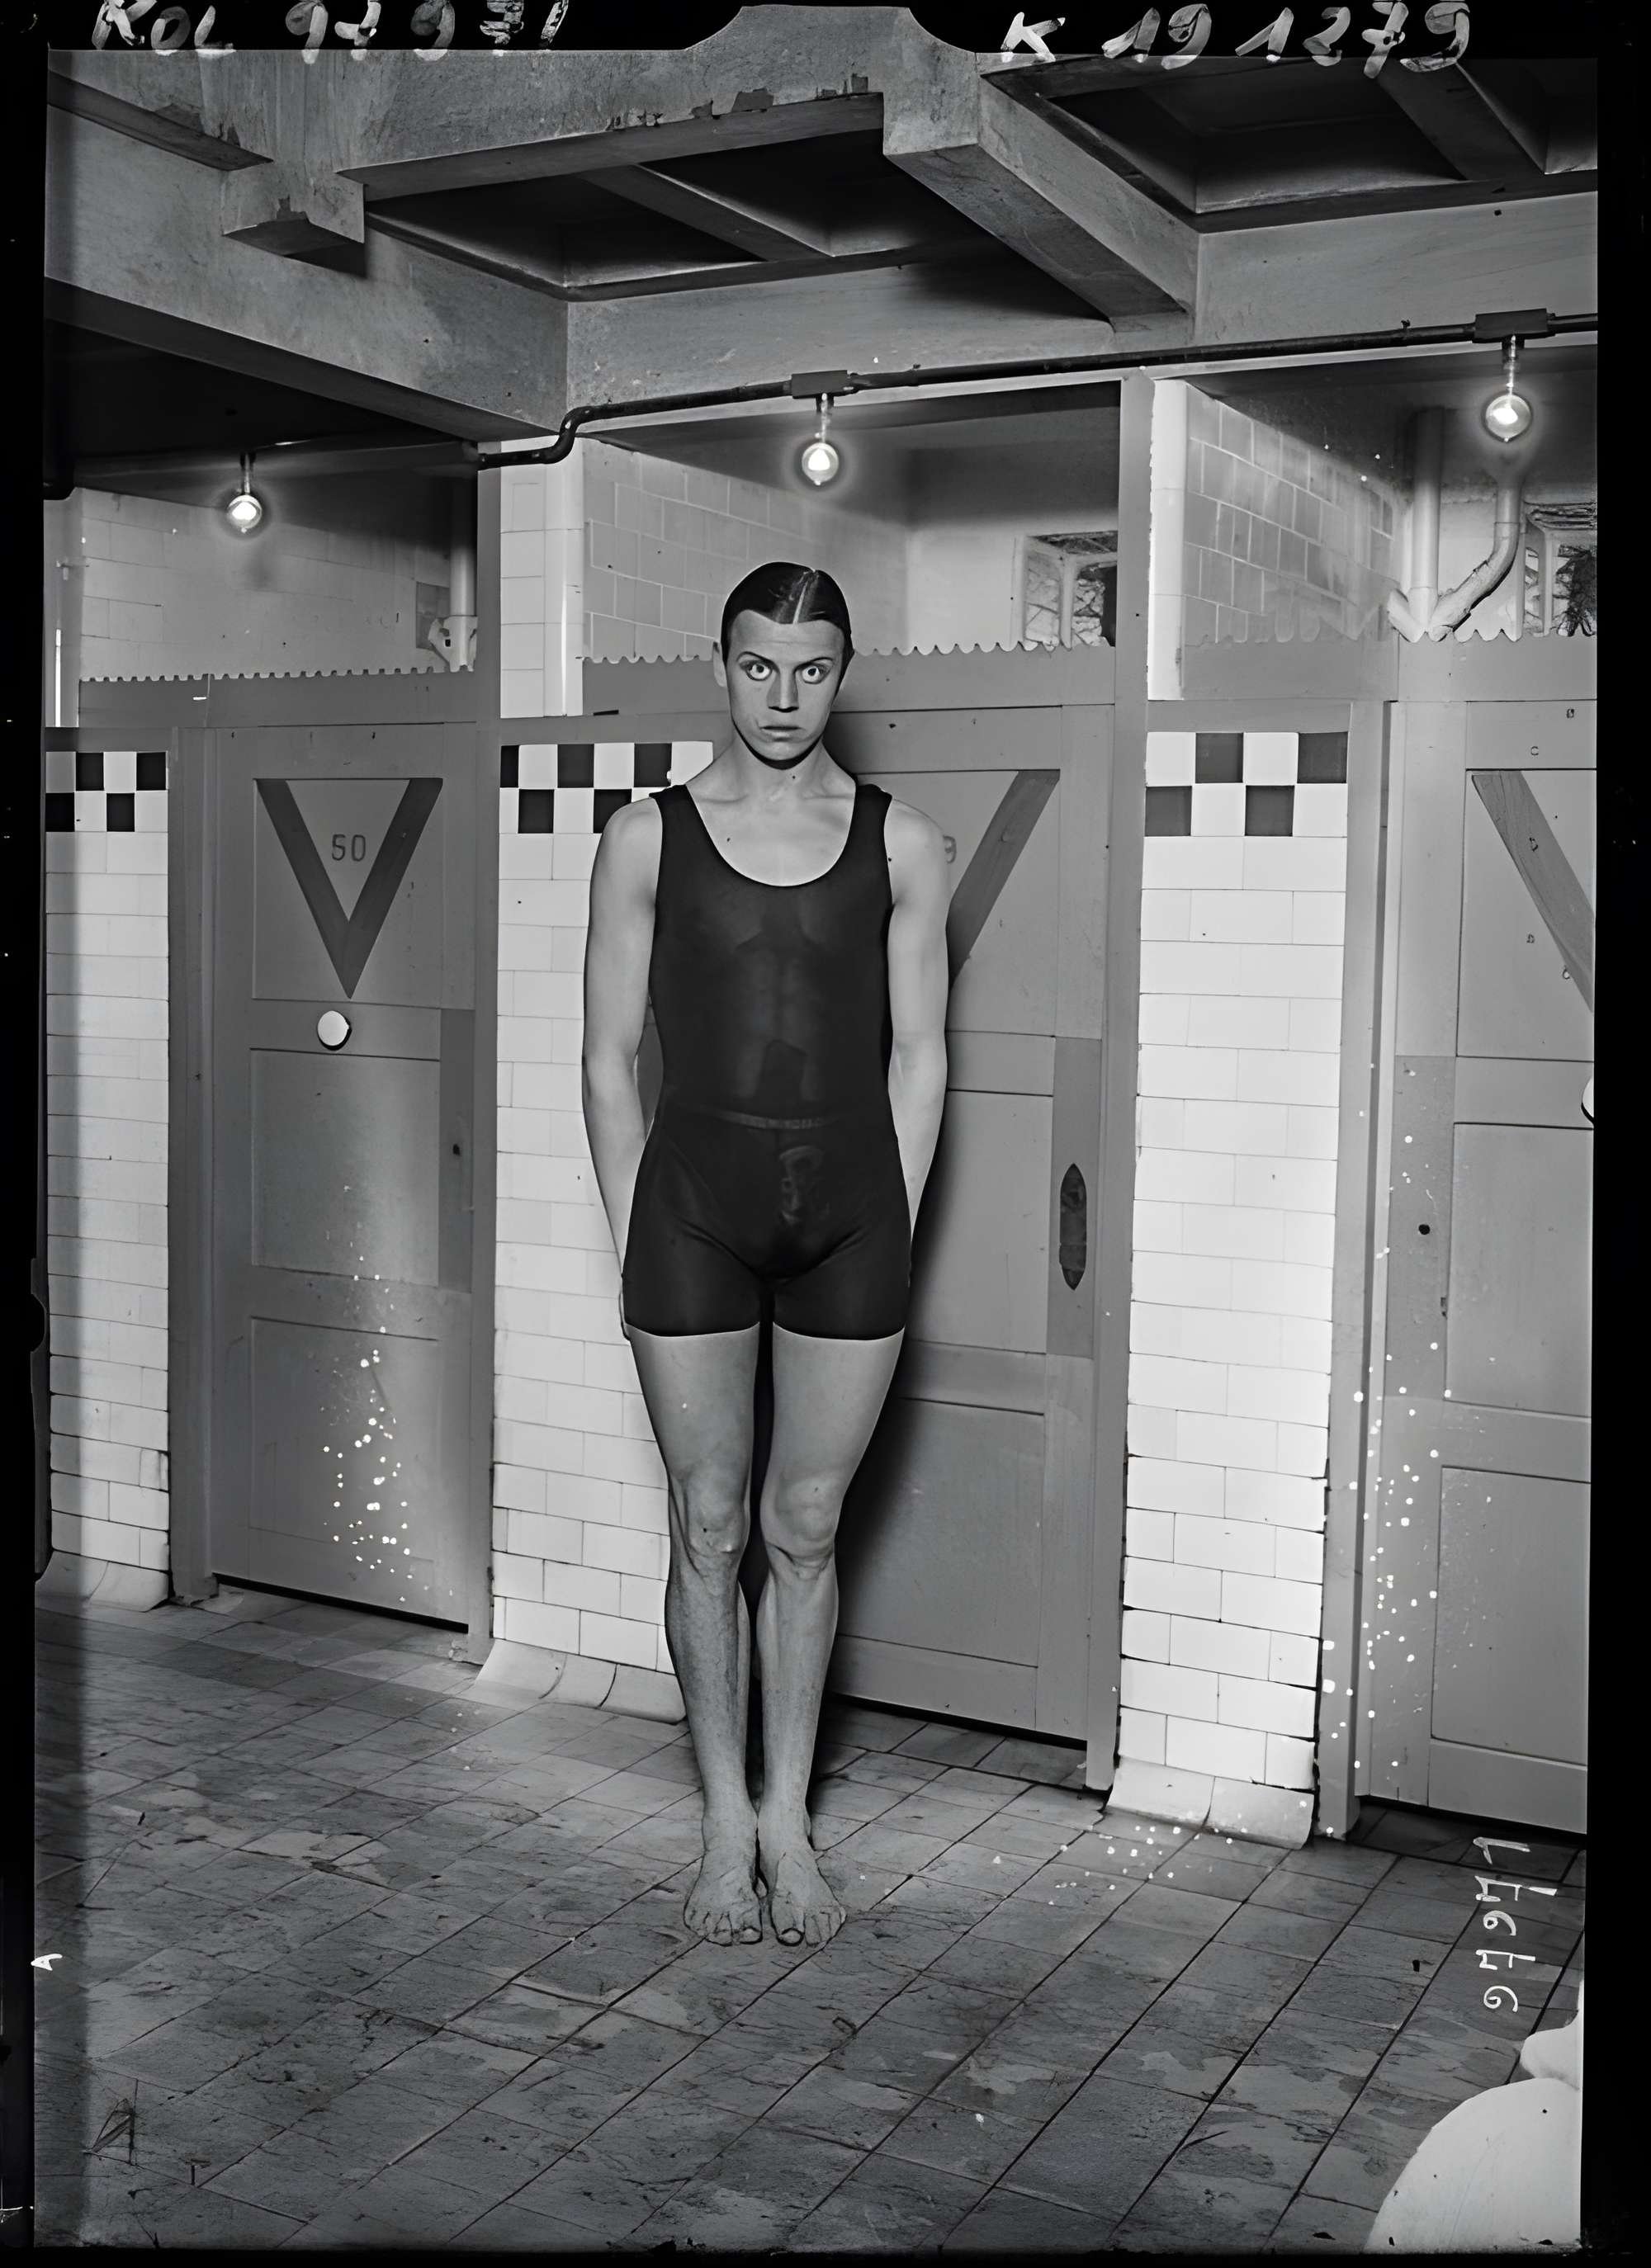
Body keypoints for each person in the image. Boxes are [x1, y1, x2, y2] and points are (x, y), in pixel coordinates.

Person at [581, 562, 951, 1949]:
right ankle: (721, 1821)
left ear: (843, 670)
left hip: (852, 1217)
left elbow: (919, 1057)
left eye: (811, 668)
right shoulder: (645, 836)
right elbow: (608, 1061)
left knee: (804, 1530)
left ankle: (790, 1818)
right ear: (722, 664)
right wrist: (637, 1231)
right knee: (708, 1524)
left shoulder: (905, 841)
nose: (783, 696)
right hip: (690, 1214)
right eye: (757, 666)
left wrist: (893, 1210)